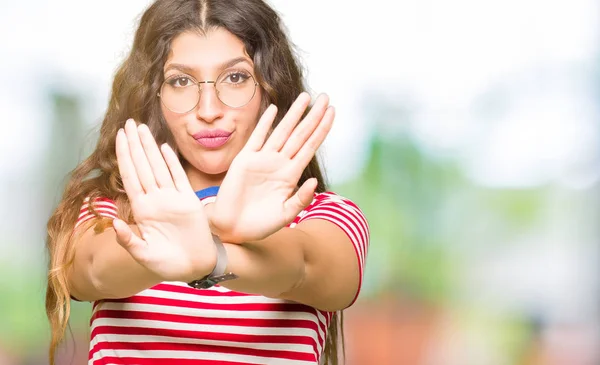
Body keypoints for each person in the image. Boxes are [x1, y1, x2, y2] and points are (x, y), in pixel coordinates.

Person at [45, 0, 370, 364]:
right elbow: (91, 272)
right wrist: (193, 238)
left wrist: (213, 254)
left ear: (268, 87)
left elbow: (306, 269)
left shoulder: (327, 215)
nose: (209, 109)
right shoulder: (107, 208)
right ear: (154, 94)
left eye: (235, 77)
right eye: (181, 81)